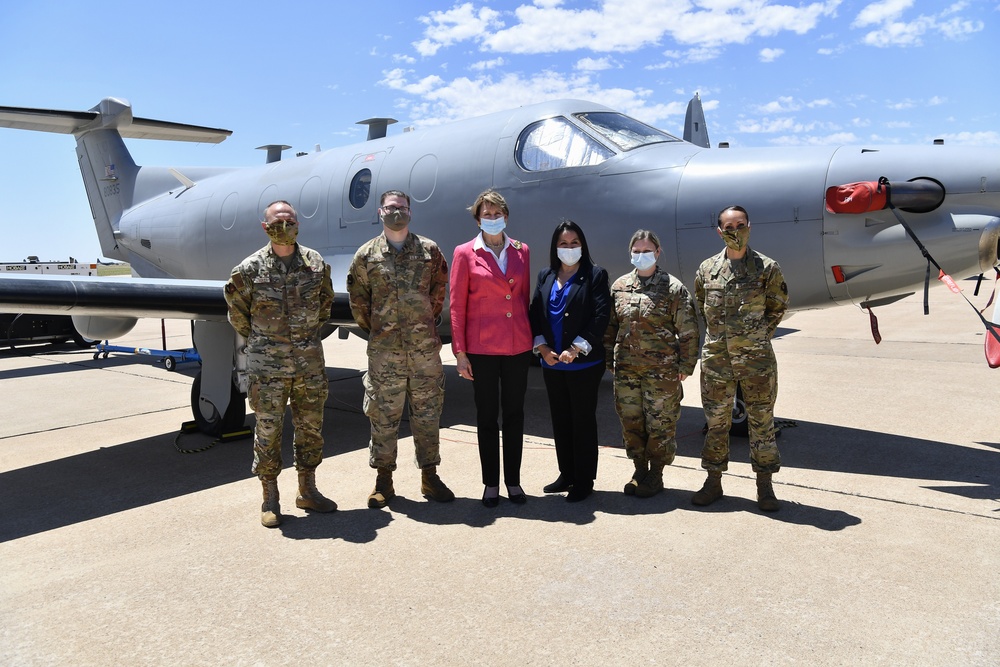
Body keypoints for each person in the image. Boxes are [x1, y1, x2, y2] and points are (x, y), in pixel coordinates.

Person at [224, 200, 337, 528]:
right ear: (265, 227)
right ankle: (270, 497)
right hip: (268, 369)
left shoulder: (315, 263)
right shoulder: (248, 269)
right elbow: (237, 313)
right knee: (268, 431)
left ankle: (308, 490)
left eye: (289, 220)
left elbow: (325, 304)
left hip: (308, 365)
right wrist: (266, 342)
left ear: (298, 224)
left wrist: (303, 337)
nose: (284, 226)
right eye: (277, 221)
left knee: (310, 429)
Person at [347, 189, 455, 508]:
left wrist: (422, 322)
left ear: (410, 211)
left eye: (403, 207)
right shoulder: (366, 255)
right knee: (382, 415)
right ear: (380, 213)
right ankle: (383, 481)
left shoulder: (429, 251)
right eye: (391, 208)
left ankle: (430, 477)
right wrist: (382, 330)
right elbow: (359, 303)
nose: (398, 212)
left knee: (427, 414)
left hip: (424, 352)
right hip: (384, 353)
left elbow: (439, 292)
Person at [692, 205, 789, 511]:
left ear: (749, 226)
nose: (736, 231)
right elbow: (701, 304)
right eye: (729, 227)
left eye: (741, 225)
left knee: (762, 423)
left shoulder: (767, 268)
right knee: (716, 424)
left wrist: (756, 337)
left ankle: (765, 486)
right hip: (717, 362)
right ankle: (713, 482)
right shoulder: (707, 269)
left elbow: (777, 307)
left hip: (756, 362)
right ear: (719, 232)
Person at [450, 190, 533, 508]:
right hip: (482, 349)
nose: (493, 218)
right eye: (487, 213)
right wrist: (460, 352)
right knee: (486, 417)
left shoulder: (521, 250)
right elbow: (457, 306)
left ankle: (513, 481)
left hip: (517, 347)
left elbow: (523, 299)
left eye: (498, 213)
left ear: (506, 217)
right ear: (478, 218)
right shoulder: (465, 253)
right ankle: (490, 484)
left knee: (515, 415)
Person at [605, 230, 699, 498]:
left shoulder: (673, 288)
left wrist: (685, 366)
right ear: (630, 253)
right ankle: (639, 469)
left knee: (661, 424)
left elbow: (689, 331)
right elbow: (610, 327)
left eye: (647, 251)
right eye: (636, 251)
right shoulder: (620, 287)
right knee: (631, 421)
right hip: (627, 371)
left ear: (657, 253)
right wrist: (609, 359)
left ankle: (656, 473)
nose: (641, 255)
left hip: (662, 373)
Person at [529, 220, 610, 502]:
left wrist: (576, 348)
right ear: (555, 247)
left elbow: (600, 316)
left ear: (582, 245)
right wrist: (541, 345)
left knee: (582, 420)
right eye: (563, 244)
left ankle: (584, 479)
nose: (569, 248)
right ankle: (567, 473)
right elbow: (535, 313)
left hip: (583, 364)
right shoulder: (545, 275)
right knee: (560, 419)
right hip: (552, 362)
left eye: (574, 243)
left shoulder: (595, 275)